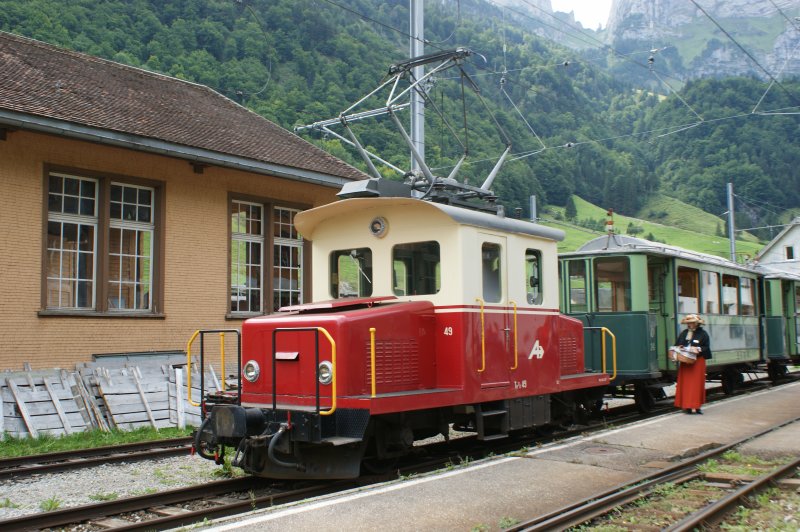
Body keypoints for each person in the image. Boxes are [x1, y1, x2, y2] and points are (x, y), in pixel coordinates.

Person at [672, 314, 712, 414]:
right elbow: (677, 344)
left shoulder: (703, 334)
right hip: (686, 362)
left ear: (696, 324)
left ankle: (697, 407)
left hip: (698, 362)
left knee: (697, 384)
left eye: (691, 323)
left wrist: (698, 349)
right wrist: (680, 347)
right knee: (686, 385)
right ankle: (687, 407)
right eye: (688, 323)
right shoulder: (684, 333)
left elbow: (706, 347)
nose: (689, 324)